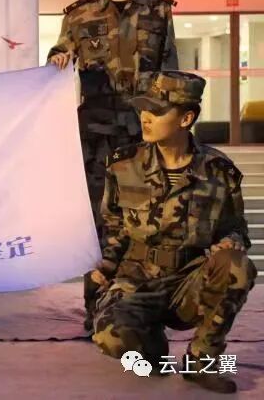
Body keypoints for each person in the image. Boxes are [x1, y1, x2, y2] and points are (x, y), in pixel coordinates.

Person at [90, 71, 256, 394]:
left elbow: (236, 228)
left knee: (237, 266)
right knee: (110, 336)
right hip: (137, 278)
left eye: (157, 110)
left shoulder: (219, 172)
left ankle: (202, 360)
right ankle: (151, 347)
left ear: (186, 118)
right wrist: (104, 269)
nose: (145, 117)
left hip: (189, 281)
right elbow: (113, 227)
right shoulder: (123, 165)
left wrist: (230, 242)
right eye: (143, 108)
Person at [47, 0, 179, 329]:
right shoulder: (80, 13)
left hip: (144, 136)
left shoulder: (158, 10)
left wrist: (176, 135)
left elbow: (171, 75)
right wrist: (57, 59)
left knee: (147, 222)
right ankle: (98, 310)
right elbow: (59, 53)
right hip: (97, 139)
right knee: (99, 224)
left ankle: (138, 309)